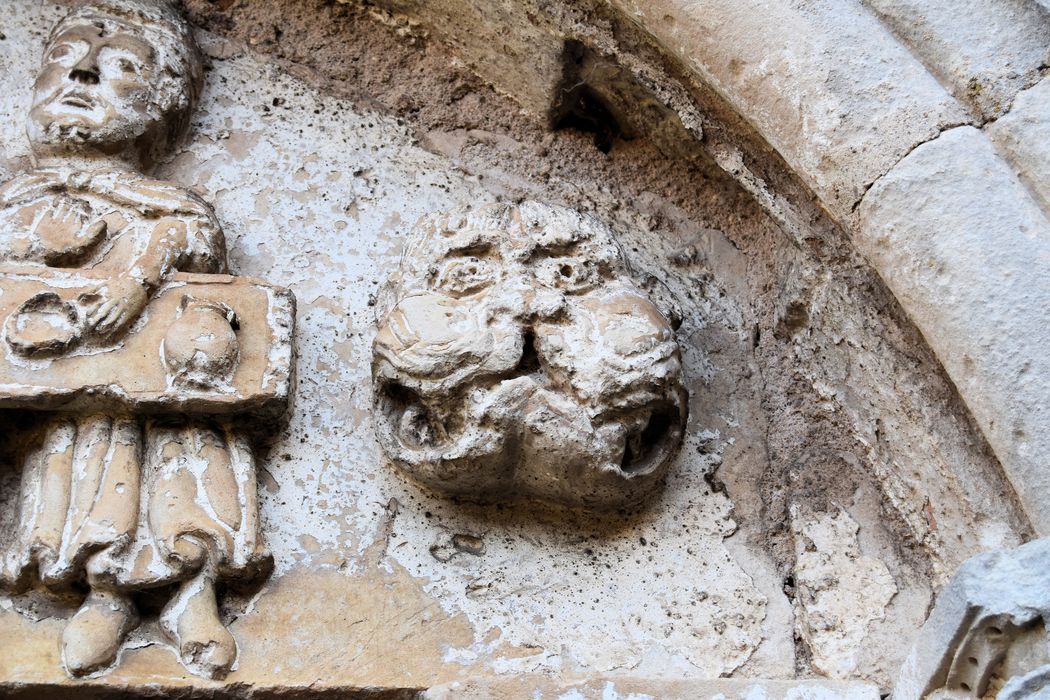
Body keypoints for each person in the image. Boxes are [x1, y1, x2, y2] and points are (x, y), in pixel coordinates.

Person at [0, 0, 269, 678]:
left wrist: (135, 277)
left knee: (190, 443)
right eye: (66, 57)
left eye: (119, 65)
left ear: (161, 102)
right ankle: (105, 593)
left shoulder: (165, 209)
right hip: (67, 391)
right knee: (87, 456)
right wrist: (40, 241)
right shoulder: (19, 200)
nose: (83, 74)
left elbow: (193, 238)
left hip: (170, 387)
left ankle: (191, 589)